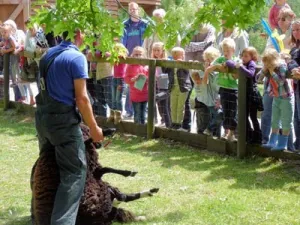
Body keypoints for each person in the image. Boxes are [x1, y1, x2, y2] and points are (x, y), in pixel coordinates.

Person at [35, 29, 104, 225]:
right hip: (63, 122)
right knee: (74, 172)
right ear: (79, 34)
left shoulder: (47, 55)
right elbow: (82, 99)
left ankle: (41, 215)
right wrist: (94, 127)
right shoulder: (76, 57)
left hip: (42, 119)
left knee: (48, 165)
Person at [260, 8, 295, 150]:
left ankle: (289, 146)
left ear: (290, 20)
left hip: (285, 83)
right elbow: (268, 53)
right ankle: (267, 140)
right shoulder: (274, 34)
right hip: (272, 83)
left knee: (288, 118)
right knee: (270, 112)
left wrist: (282, 57)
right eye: (278, 19)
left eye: (282, 19)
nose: (279, 21)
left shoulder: (292, 34)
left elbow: (289, 56)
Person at [203, 38, 240, 142]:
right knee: (225, 112)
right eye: (224, 51)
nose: (226, 53)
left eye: (228, 50)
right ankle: (226, 132)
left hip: (233, 90)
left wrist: (231, 68)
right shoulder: (220, 59)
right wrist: (218, 66)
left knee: (232, 112)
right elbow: (210, 67)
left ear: (233, 50)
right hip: (223, 89)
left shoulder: (236, 60)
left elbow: (237, 74)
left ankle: (232, 134)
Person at [226, 47, 263, 144]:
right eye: (242, 56)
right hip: (244, 94)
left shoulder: (251, 64)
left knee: (253, 117)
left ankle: (257, 137)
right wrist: (236, 64)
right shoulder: (243, 63)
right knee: (244, 116)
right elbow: (229, 63)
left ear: (252, 57)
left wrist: (240, 67)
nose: (243, 58)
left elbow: (250, 74)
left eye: (246, 56)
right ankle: (248, 136)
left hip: (252, 94)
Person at [261, 48, 294, 151]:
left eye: (269, 63)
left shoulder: (282, 66)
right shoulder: (270, 67)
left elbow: (280, 82)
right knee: (274, 120)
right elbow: (258, 78)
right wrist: (264, 70)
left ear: (274, 60)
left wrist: (271, 71)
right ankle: (272, 141)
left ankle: (282, 144)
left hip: (285, 98)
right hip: (276, 97)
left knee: (286, 121)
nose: (268, 65)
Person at [122, 2, 148, 118]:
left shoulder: (145, 24)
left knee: (143, 81)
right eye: (130, 9)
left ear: (139, 10)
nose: (132, 11)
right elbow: (122, 41)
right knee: (130, 84)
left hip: (142, 56)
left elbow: (148, 40)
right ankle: (129, 110)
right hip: (130, 58)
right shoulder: (125, 25)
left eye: (134, 9)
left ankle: (143, 111)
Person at [192, 46, 223, 137]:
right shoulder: (202, 70)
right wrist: (207, 71)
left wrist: (220, 99)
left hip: (217, 99)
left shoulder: (218, 71)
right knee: (218, 115)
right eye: (207, 59)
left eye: (211, 59)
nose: (209, 62)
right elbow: (204, 83)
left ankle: (211, 130)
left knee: (220, 115)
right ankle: (208, 129)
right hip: (208, 100)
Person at [168, 47, 192, 131]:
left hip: (183, 88)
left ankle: (179, 123)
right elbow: (164, 69)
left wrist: (183, 64)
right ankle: (173, 122)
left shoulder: (185, 63)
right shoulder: (172, 64)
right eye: (175, 55)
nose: (179, 57)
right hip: (173, 87)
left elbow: (188, 70)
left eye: (182, 55)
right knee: (173, 105)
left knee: (180, 106)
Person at [124, 46, 149, 124]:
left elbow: (150, 78)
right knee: (137, 113)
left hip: (145, 94)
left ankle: (143, 131)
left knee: (143, 114)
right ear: (132, 55)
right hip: (135, 95)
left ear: (143, 55)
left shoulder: (146, 66)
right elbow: (126, 79)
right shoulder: (130, 66)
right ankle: (137, 130)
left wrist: (146, 78)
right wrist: (134, 79)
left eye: (140, 54)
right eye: (136, 54)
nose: (138, 56)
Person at [152, 42, 171, 128]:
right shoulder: (152, 60)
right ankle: (159, 120)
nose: (156, 52)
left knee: (164, 103)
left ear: (162, 51)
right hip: (156, 82)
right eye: (154, 50)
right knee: (158, 103)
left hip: (164, 83)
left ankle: (167, 122)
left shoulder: (167, 60)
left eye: (158, 50)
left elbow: (167, 73)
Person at [288, 19, 300, 150]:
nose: (296, 32)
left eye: (298, 29)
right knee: (296, 118)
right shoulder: (294, 48)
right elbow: (291, 62)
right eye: (294, 30)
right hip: (295, 86)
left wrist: (291, 63)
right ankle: (298, 145)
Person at [110, 42, 128, 124]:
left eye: (118, 49)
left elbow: (124, 54)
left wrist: (118, 53)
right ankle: (112, 115)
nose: (116, 51)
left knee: (118, 98)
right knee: (113, 98)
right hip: (114, 78)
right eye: (115, 49)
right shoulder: (114, 57)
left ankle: (119, 115)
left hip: (121, 79)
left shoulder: (123, 57)